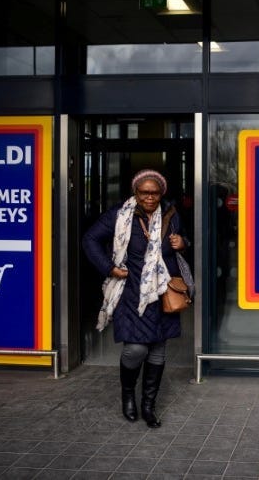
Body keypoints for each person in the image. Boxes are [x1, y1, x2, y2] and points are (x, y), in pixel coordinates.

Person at [82, 169, 189, 427]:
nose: (149, 198)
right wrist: (109, 268)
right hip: (131, 292)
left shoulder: (171, 215)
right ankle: (128, 395)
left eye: (154, 193)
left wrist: (182, 242)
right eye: (144, 193)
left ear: (161, 193)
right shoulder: (119, 215)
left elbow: (182, 242)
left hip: (161, 291)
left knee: (158, 351)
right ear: (135, 192)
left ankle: (149, 406)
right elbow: (90, 239)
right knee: (136, 349)